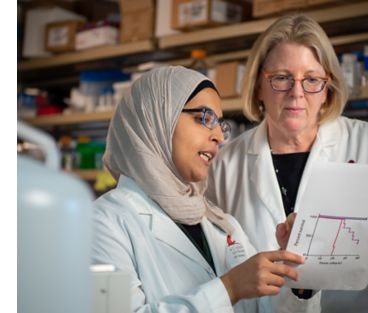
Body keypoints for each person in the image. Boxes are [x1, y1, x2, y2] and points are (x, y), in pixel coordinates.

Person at [206, 14, 368, 313]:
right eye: (282, 78)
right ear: (258, 85)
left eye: (311, 79)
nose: (297, 93)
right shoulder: (225, 165)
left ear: (327, 89)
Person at [91, 65, 321, 313]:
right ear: (157, 119)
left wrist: (294, 273)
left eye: (220, 125)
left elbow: (262, 308)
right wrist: (229, 289)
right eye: (204, 118)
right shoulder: (102, 222)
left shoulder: (220, 224)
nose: (220, 138)